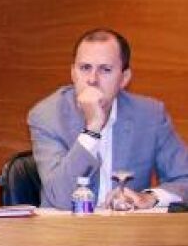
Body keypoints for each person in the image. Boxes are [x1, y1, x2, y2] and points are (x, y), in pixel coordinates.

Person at [28, 28, 188, 209]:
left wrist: (150, 197)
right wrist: (92, 129)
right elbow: (61, 199)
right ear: (73, 73)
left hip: (127, 226)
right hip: (68, 226)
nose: (92, 79)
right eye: (85, 68)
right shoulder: (47, 116)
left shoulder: (150, 115)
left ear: (124, 78)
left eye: (105, 70)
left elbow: (184, 178)